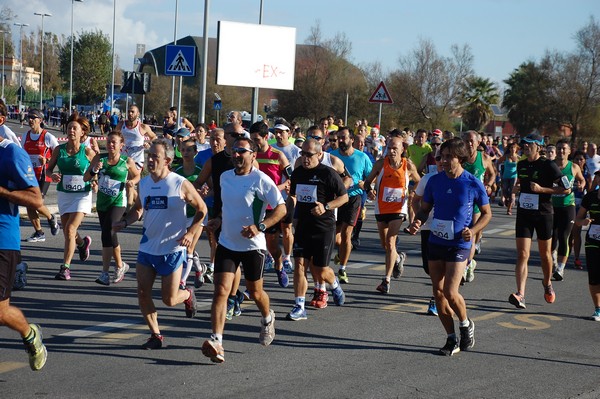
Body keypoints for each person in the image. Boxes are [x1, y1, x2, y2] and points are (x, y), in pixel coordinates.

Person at [113, 139, 207, 349]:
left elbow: (202, 209)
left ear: (168, 160)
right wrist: (125, 221)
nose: (150, 160)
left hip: (172, 249)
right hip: (147, 248)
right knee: (143, 292)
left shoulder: (179, 183)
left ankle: (188, 294)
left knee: (169, 299)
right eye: (149, 156)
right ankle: (155, 335)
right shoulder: (144, 184)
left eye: (155, 156)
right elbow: (138, 209)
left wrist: (191, 233)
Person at [201, 137, 285, 363]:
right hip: (227, 243)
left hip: (252, 246)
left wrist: (261, 226)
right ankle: (217, 341)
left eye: (242, 151)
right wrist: (217, 220)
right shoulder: (224, 177)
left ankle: (268, 318)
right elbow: (227, 207)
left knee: (255, 292)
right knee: (221, 291)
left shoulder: (261, 180)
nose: (237, 155)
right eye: (234, 151)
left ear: (253, 155)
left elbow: (281, 209)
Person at [407, 137, 491, 356]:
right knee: (437, 293)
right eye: (441, 157)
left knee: (450, 292)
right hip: (436, 240)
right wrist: (418, 220)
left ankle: (465, 324)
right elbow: (425, 209)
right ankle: (451, 338)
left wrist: (472, 231)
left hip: (459, 243)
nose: (442, 161)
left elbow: (487, 213)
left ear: (460, 158)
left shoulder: (472, 183)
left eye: (448, 157)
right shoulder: (435, 181)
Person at [286, 138, 348, 320]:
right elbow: (293, 197)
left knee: (320, 270)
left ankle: (334, 284)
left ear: (319, 155)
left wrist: (326, 207)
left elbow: (343, 198)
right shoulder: (297, 173)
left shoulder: (328, 173)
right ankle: (299, 306)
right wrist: (289, 218)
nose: (305, 158)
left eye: (309, 155)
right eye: (302, 154)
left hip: (323, 227)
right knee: (299, 265)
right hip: (303, 226)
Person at [0, 136, 48, 371]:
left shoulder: (11, 153)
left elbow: (35, 198)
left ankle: (30, 335)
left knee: (0, 312)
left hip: (3, 239)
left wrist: (2, 191)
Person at [508, 133, 570, 309]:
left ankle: (547, 282)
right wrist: (516, 189)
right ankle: (520, 294)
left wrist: (542, 189)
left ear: (539, 146)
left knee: (545, 255)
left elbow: (566, 189)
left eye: (529, 144)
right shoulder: (521, 164)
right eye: (524, 145)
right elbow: (521, 182)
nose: (525, 147)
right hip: (524, 214)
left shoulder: (549, 165)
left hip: (544, 214)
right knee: (522, 254)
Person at [364, 136, 420, 293]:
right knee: (385, 245)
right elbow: (368, 182)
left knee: (390, 242)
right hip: (381, 208)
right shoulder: (380, 164)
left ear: (402, 149)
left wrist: (412, 193)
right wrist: (370, 191)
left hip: (398, 209)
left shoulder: (407, 165)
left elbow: (419, 181)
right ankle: (398, 257)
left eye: (395, 148)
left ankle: (386, 281)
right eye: (389, 148)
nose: (392, 151)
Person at [84, 131, 140, 285]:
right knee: (111, 235)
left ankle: (105, 273)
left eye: (114, 142)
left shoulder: (126, 161)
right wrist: (94, 170)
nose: (110, 145)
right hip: (102, 203)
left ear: (121, 145)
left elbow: (137, 175)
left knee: (108, 233)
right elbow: (86, 177)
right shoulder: (99, 158)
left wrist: (132, 182)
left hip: (118, 203)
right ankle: (121, 265)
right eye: (108, 142)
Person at [47, 114, 96, 280]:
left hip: (82, 195)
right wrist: (52, 176)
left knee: (69, 229)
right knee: (69, 232)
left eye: (75, 128)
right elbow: (49, 169)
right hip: (64, 194)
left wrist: (95, 180)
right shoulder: (58, 150)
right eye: (69, 128)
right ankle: (82, 244)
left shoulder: (88, 152)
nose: (71, 131)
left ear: (82, 132)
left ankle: (65, 268)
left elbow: (95, 171)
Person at [250, 121, 292, 288]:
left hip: (272, 207)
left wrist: (277, 188)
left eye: (257, 139)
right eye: (252, 139)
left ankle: (279, 264)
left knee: (272, 245)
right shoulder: (250, 155)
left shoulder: (278, 155)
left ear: (266, 137)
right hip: (253, 206)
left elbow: (291, 179)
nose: (254, 143)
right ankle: (253, 281)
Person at [330, 127, 373, 283]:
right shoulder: (332, 156)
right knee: (335, 238)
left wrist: (366, 185)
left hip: (353, 199)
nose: (341, 141)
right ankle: (341, 253)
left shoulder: (362, 157)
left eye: (344, 138)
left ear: (352, 139)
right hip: (335, 199)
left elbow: (371, 177)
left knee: (347, 234)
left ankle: (342, 269)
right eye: (339, 138)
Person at [21, 109, 61, 242]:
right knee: (28, 203)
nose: (30, 120)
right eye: (29, 117)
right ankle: (39, 232)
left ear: (40, 120)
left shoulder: (47, 136)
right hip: (29, 175)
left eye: (33, 117)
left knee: (36, 203)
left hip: (44, 175)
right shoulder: (25, 136)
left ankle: (51, 218)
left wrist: (48, 160)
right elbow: (21, 155)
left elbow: (59, 153)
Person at [461, 130, 496, 282]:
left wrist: (488, 184)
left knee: (473, 233)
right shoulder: (459, 158)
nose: (469, 144)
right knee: (461, 233)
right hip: (461, 200)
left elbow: (493, 174)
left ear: (477, 142)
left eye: (471, 141)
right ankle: (467, 262)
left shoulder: (484, 158)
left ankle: (466, 265)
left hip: (477, 202)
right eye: (466, 141)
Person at [174, 137, 207, 289]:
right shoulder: (177, 173)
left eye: (189, 150)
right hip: (181, 215)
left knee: (189, 248)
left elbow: (211, 189)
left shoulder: (201, 171)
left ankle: (182, 281)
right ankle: (199, 269)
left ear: (195, 152)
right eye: (183, 150)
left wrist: (205, 193)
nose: (186, 152)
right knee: (184, 246)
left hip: (198, 215)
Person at [272, 122, 302, 274]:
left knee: (287, 228)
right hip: (271, 196)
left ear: (289, 133)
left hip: (289, 196)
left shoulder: (296, 151)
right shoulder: (270, 148)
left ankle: (287, 258)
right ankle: (271, 257)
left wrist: (293, 187)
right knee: (271, 231)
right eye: (276, 132)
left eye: (281, 132)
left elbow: (299, 172)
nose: (278, 135)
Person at [574, 172, 600, 321]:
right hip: (593, 241)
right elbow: (578, 219)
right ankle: (598, 309)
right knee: (594, 277)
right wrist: (582, 222)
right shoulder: (590, 197)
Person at [570, 151, 593, 269]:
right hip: (567, 205)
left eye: (581, 159)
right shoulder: (569, 171)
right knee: (567, 234)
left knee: (576, 233)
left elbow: (589, 193)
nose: (579, 161)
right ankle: (565, 255)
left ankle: (577, 258)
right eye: (576, 159)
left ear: (584, 161)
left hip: (580, 207)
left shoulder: (586, 174)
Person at [498, 142, 520, 215]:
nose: (513, 149)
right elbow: (498, 162)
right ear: (509, 149)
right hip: (505, 176)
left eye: (514, 147)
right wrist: (498, 171)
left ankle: (509, 209)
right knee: (504, 191)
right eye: (511, 147)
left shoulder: (518, 158)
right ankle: (507, 200)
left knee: (511, 192)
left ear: (516, 149)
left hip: (514, 177)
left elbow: (521, 167)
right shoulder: (506, 156)